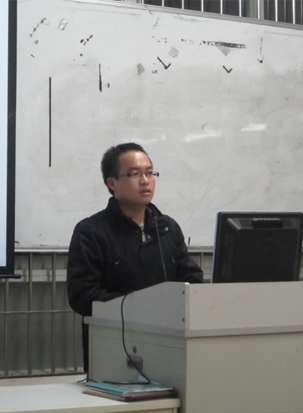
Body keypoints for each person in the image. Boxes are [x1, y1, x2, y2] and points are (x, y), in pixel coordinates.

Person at [67, 142, 203, 372]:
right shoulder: (91, 231)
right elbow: (82, 295)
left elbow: (192, 281)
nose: (145, 180)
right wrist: (141, 309)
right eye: (135, 174)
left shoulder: (167, 228)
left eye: (149, 173)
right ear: (112, 183)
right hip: (114, 346)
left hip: (169, 342)